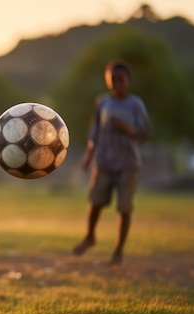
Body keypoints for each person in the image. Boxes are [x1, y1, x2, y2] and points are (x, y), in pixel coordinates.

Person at [73, 60, 153, 266]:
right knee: (95, 202)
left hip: (128, 163)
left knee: (124, 208)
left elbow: (146, 131)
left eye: (120, 79)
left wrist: (127, 128)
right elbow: (95, 132)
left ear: (128, 81)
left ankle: (118, 250)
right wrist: (88, 155)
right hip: (104, 161)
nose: (115, 83)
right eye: (111, 80)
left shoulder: (135, 104)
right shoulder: (103, 103)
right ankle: (90, 236)